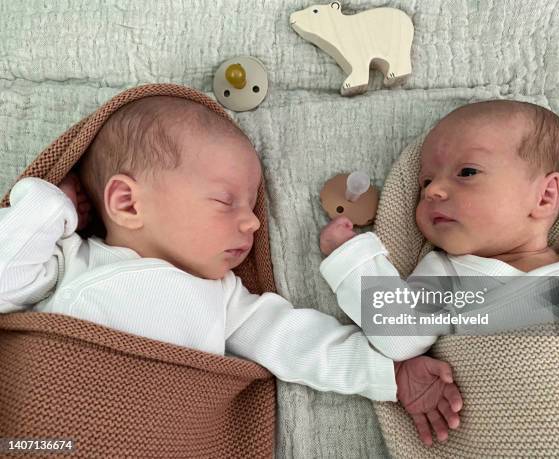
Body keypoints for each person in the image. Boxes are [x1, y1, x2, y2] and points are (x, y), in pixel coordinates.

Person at [0, 95, 462, 446]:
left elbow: (299, 344)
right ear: (126, 202)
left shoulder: (222, 297)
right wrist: (48, 204)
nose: (254, 221)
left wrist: (386, 375)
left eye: (251, 203)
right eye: (226, 201)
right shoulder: (70, 262)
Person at [319, 100, 559, 360]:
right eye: (425, 182)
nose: (433, 190)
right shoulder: (449, 277)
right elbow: (400, 333)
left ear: (545, 196)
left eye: (467, 172)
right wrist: (352, 258)